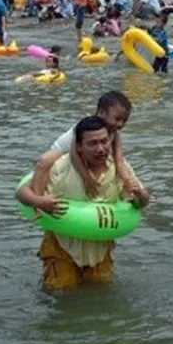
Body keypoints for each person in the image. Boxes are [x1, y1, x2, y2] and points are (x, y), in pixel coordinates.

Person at [15, 115, 147, 291]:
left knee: (101, 295)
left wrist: (141, 195)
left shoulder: (120, 169)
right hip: (63, 249)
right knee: (62, 295)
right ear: (78, 147)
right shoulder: (61, 168)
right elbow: (21, 192)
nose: (100, 149)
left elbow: (139, 204)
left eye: (104, 141)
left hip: (100, 249)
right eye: (92, 143)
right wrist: (39, 201)